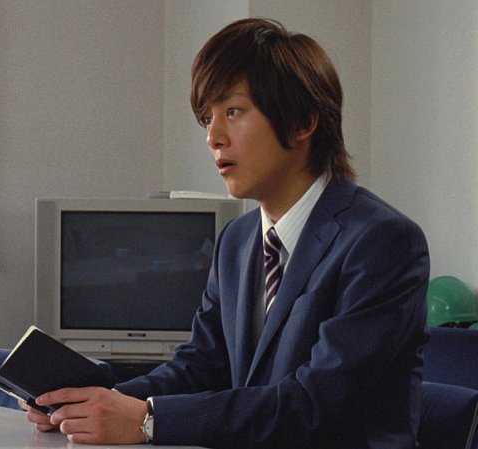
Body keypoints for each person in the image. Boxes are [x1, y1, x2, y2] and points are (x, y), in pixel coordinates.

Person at [22, 18, 430, 448]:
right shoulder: (237, 240)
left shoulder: (381, 242)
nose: (213, 137)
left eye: (233, 112)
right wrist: (89, 406)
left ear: (302, 122)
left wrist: (148, 421)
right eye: (207, 118)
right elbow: (200, 367)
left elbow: (314, 404)